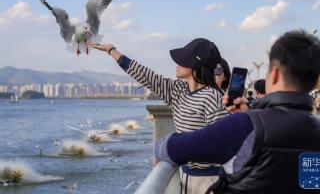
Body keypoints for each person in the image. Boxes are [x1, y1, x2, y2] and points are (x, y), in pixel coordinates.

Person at [154, 29, 320, 194]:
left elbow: (177, 148)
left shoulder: (244, 126)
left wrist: (159, 146)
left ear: (275, 74)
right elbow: (310, 182)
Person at [89, 38, 229, 194]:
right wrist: (111, 50)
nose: (177, 64)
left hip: (209, 181)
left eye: (182, 60)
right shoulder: (178, 90)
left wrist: (172, 144)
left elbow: (222, 142)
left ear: (195, 64)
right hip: (186, 176)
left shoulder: (211, 96)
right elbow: (145, 76)